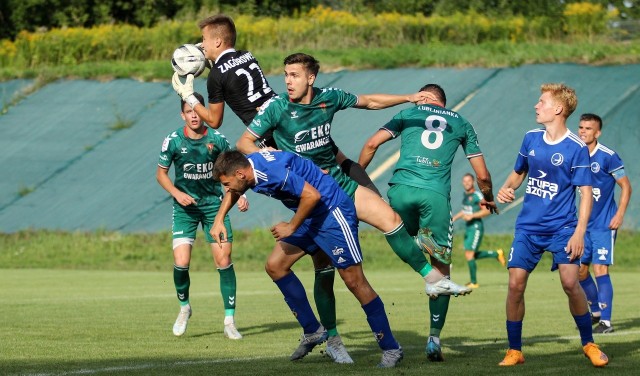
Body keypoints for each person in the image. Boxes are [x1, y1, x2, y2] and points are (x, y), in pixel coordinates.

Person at [236, 53, 472, 359]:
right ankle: (331, 338)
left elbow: (370, 101)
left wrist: (407, 97)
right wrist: (281, 164)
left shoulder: (329, 98)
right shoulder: (278, 107)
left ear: (311, 78)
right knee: (323, 269)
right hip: (312, 196)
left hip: (340, 184)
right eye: (286, 75)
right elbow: (245, 143)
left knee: (391, 219)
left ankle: (433, 280)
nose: (288, 81)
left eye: (294, 75)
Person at [171, 16, 379, 362]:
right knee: (314, 250)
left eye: (205, 41)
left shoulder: (217, 75)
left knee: (326, 256)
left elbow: (215, 120)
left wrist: (190, 97)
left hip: (272, 150)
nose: (202, 47)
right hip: (286, 135)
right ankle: (326, 334)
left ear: (218, 43)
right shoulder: (247, 56)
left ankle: (338, 337)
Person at [210, 150, 404, 368]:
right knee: (275, 266)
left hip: (332, 213)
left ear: (240, 174)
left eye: (227, 183)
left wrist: (291, 226)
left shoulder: (270, 173)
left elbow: (312, 195)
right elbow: (238, 190)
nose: (226, 189)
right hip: (310, 216)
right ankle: (313, 330)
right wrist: (219, 220)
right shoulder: (248, 167)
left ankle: (391, 348)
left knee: (354, 281)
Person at [358, 84, 497, 362]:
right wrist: (488, 198)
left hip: (400, 189)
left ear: (424, 97)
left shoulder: (408, 113)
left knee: (396, 231)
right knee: (442, 268)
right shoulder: (461, 123)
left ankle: (415, 242)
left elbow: (372, 144)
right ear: (443, 103)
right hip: (434, 195)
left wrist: (358, 178)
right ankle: (434, 339)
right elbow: (481, 176)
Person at [496, 83, 608, 367]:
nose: (536, 105)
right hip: (528, 229)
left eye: (541, 101)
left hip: (563, 229)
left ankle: (589, 344)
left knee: (571, 283)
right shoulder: (530, 138)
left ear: (558, 109)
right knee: (515, 285)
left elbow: (585, 193)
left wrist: (580, 232)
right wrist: (506, 189)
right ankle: (514, 350)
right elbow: (517, 174)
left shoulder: (576, 148)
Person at [156, 92, 248, 339]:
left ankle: (229, 320)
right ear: (182, 114)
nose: (194, 116)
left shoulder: (217, 139)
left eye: (197, 111)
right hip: (184, 209)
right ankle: (184, 308)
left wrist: (242, 194)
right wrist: (177, 193)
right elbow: (161, 174)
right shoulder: (173, 140)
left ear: (203, 111)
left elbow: (234, 169)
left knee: (223, 260)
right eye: (188, 112)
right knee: (182, 262)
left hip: (213, 208)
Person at [577, 113, 632, 334]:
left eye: (588, 129)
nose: (583, 132)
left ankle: (606, 322)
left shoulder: (608, 156)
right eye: (580, 127)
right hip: (582, 225)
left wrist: (619, 214)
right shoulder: (575, 154)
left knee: (600, 268)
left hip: (603, 225)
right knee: (580, 271)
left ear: (597, 133)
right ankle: (596, 311)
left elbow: (626, 187)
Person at [452, 173, 506, 289]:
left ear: (473, 182)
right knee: (469, 254)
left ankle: (474, 282)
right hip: (469, 228)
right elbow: (464, 211)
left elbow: (486, 211)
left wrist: (472, 216)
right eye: (464, 181)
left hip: (476, 228)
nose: (466, 183)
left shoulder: (477, 195)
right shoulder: (466, 196)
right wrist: (454, 218)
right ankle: (496, 253)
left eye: (469, 181)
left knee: (469, 254)